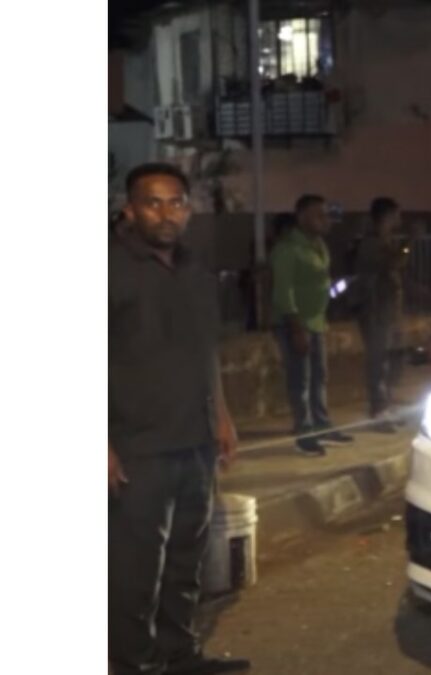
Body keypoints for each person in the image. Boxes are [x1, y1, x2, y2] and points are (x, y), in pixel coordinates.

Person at [109, 163, 251, 675]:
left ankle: (181, 655)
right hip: (136, 445)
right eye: (153, 202)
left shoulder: (194, 268)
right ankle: (134, 663)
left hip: (195, 440)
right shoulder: (108, 268)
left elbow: (204, 347)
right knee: (135, 567)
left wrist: (224, 417)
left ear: (188, 209)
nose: (165, 213)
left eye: (176, 202)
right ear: (130, 208)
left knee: (186, 559)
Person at [270, 194, 353, 456]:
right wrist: (296, 328)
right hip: (296, 323)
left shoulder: (318, 245)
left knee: (319, 376)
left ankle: (321, 423)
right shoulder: (287, 249)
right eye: (319, 215)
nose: (325, 220)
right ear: (302, 217)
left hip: (317, 321)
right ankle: (304, 433)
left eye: (326, 214)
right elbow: (284, 291)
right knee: (301, 379)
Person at [354, 198, 407, 431]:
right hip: (375, 310)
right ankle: (378, 412)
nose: (399, 220)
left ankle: (385, 406)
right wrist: (409, 243)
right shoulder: (371, 243)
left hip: (387, 309)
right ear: (387, 216)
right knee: (378, 362)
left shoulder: (385, 241)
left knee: (389, 361)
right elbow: (390, 263)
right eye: (396, 215)